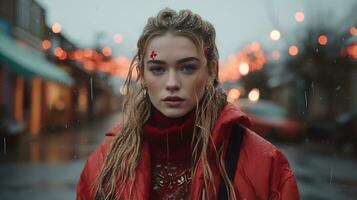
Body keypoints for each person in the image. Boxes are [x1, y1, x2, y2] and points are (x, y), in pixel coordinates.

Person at [77, 8, 300, 200]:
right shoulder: (104, 164)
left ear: (211, 69)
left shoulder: (263, 164)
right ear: (142, 75)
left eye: (187, 68)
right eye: (158, 69)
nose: (172, 83)